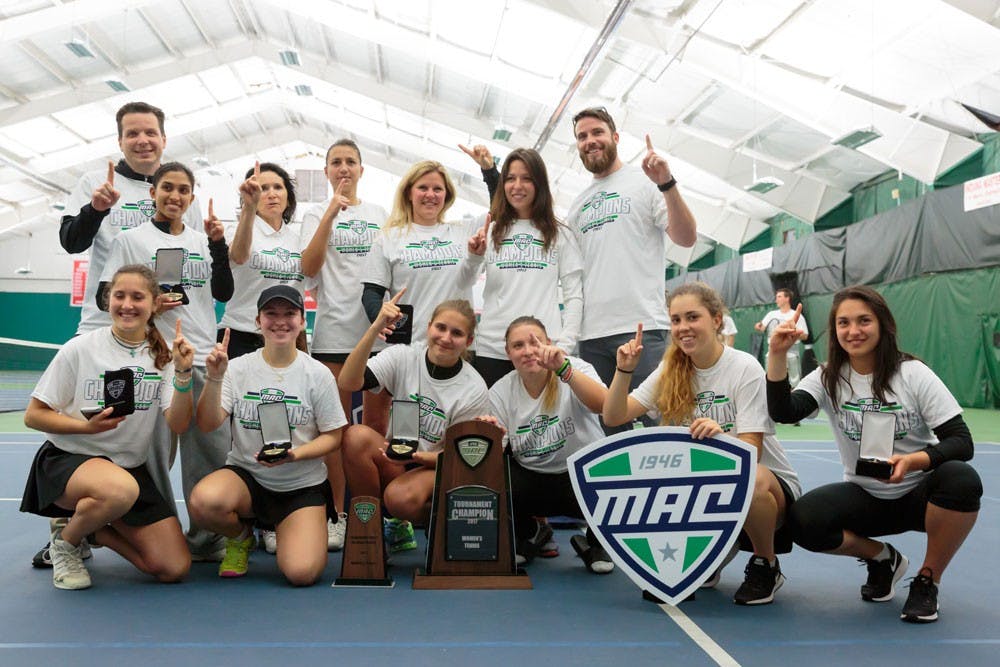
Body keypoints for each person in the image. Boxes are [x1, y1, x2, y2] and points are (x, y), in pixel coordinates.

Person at [35, 101, 200, 569]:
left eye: (150, 132)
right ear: (120, 139)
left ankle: (109, 516)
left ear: (164, 138)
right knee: (93, 425)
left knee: (148, 436)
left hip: (159, 332)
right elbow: (71, 240)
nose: (143, 140)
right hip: (106, 324)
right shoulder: (96, 183)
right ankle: (69, 518)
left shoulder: (172, 185)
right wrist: (95, 209)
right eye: (133, 133)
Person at [767, 286, 981, 623]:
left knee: (962, 479)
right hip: (866, 495)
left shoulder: (912, 373)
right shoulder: (828, 377)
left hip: (919, 496)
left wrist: (914, 461)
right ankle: (883, 559)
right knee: (803, 520)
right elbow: (784, 411)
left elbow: (961, 441)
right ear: (835, 331)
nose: (854, 331)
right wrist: (777, 354)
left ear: (882, 324)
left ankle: (928, 580)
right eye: (844, 323)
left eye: (864, 321)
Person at [604, 282, 801, 605]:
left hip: (765, 489)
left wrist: (720, 436)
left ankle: (766, 562)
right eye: (676, 320)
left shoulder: (744, 367)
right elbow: (615, 415)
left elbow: (751, 452)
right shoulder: (671, 369)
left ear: (717, 320)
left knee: (749, 481)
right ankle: (700, 558)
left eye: (692, 317)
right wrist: (624, 370)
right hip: (703, 489)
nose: (683, 327)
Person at [20, 264, 194, 589]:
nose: (127, 304)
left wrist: (183, 374)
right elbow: (34, 415)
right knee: (120, 490)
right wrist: (88, 429)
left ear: (155, 304)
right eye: (120, 295)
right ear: (108, 300)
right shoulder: (80, 348)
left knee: (174, 567)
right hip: (71, 460)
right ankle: (66, 544)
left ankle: (95, 529)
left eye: (137, 297)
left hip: (128, 470)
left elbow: (179, 423)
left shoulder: (166, 356)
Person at [100, 161, 234, 562]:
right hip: (155, 360)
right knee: (155, 454)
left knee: (209, 452)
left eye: (183, 190)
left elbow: (224, 291)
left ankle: (206, 537)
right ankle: (160, 532)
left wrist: (219, 246)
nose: (175, 196)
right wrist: (149, 303)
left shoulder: (201, 241)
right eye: (167, 188)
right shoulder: (130, 240)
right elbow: (106, 296)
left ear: (191, 197)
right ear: (153, 193)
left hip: (201, 359)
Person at [190, 286, 347, 585]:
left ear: (302, 321)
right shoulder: (237, 369)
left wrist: (295, 455)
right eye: (271, 314)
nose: (280, 321)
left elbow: (333, 438)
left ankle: (290, 526)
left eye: (289, 314)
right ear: (258, 320)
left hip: (301, 485)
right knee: (203, 502)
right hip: (248, 478)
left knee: (302, 574)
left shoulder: (317, 374)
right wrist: (214, 377)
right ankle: (241, 537)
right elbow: (208, 423)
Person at [565, 108, 697, 432]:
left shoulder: (646, 183)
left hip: (643, 330)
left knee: (665, 428)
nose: (590, 141)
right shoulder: (576, 207)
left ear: (615, 137)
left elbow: (686, 237)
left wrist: (666, 183)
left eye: (597, 132)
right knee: (610, 438)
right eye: (582, 136)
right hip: (592, 337)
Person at [300, 139, 390, 551]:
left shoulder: (380, 215)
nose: (343, 168)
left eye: (350, 161)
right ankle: (337, 513)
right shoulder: (316, 214)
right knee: (335, 433)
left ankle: (387, 516)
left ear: (361, 169)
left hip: (379, 338)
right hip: (334, 337)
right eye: (335, 162)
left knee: (377, 431)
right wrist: (330, 216)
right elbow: (308, 268)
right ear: (326, 170)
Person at [340, 296, 490, 539]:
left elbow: (462, 459)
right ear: (429, 326)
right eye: (440, 327)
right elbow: (348, 381)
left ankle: (444, 520)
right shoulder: (403, 356)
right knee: (355, 437)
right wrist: (374, 328)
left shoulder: (473, 388)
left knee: (399, 498)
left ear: (469, 341)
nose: (446, 338)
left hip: (436, 466)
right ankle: (371, 533)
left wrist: (421, 456)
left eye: (457, 333)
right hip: (396, 455)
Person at [484, 317, 612, 573]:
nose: (528, 351)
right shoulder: (501, 391)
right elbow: (493, 451)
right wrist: (492, 439)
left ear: (549, 344)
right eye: (518, 346)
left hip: (580, 478)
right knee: (493, 473)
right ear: (508, 353)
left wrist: (564, 369)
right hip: (533, 481)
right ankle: (531, 531)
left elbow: (605, 407)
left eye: (535, 343)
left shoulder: (576, 367)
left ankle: (597, 542)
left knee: (609, 469)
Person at [461, 146, 583, 388]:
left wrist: (564, 345)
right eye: (510, 178)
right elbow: (463, 284)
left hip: (543, 352)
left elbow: (574, 295)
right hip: (492, 350)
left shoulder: (560, 233)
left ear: (540, 184)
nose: (517, 186)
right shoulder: (491, 229)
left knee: (541, 423)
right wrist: (474, 257)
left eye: (526, 178)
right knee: (492, 424)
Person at [361, 161, 480, 347]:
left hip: (456, 348)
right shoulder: (388, 238)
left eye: (438, 189)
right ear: (409, 193)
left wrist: (488, 171)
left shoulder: (463, 231)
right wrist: (379, 317)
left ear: (446, 194)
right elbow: (371, 293)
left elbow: (501, 208)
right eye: (423, 187)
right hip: (409, 348)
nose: (430, 194)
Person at [755, 288, 808, 385]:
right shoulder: (771, 314)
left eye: (779, 297)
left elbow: (805, 336)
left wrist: (793, 333)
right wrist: (758, 326)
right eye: (776, 297)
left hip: (792, 352)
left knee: (795, 383)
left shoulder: (796, 315)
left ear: (787, 298)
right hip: (773, 352)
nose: (776, 300)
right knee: (773, 383)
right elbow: (762, 327)